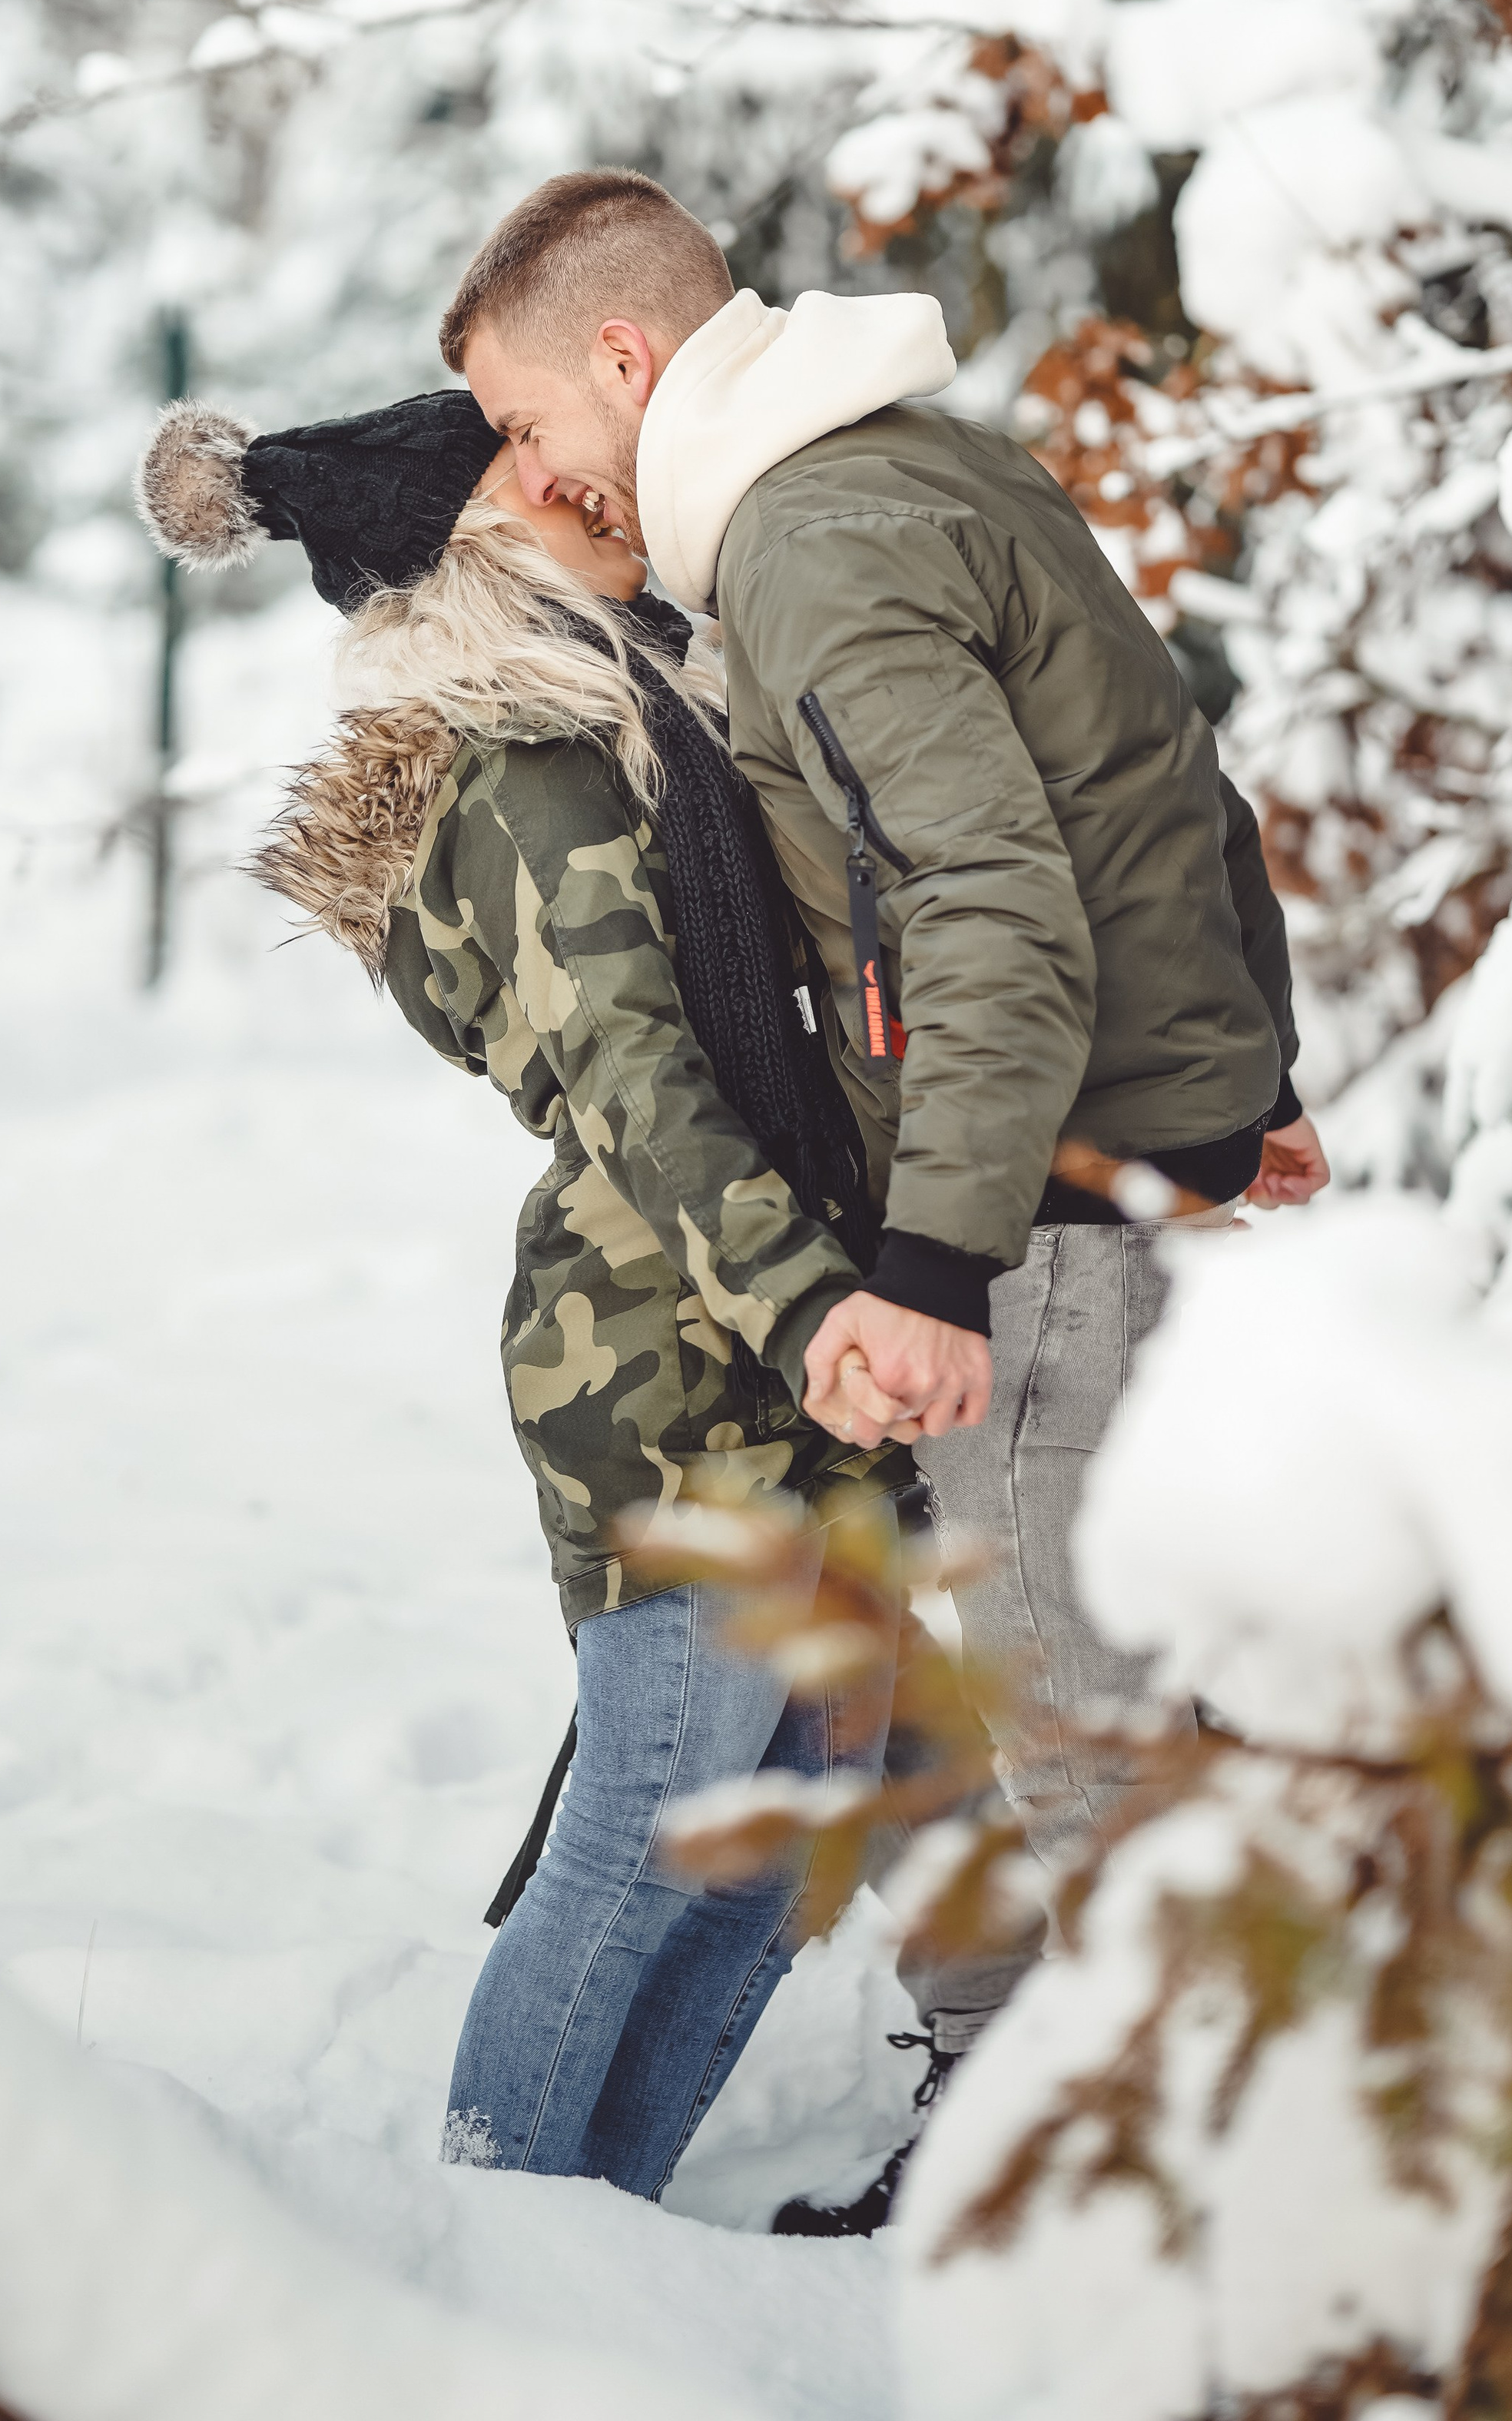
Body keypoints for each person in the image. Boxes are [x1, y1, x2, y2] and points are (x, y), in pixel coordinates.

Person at [439, 167, 1331, 2221]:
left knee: (1080, 1737)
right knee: (1018, 1709)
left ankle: (1194, 2230)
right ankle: (1033, 2151)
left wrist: (937, 1268)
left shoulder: (812, 546)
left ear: (633, 363)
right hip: (1115, 1161)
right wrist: (1239, 1082)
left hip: (1035, 1221)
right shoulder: (910, 459)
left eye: (527, 426)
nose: (529, 478)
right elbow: (1185, 782)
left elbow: (994, 905)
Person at [134, 383, 910, 2201]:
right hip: (659, 1352)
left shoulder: (647, 715)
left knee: (792, 1829)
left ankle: (602, 2242)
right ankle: (494, 2246)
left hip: (788, 1327)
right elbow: (642, 1088)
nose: (589, 486)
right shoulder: (532, 765)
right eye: (533, 477)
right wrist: (812, 1318)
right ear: (471, 538)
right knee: (652, 1835)